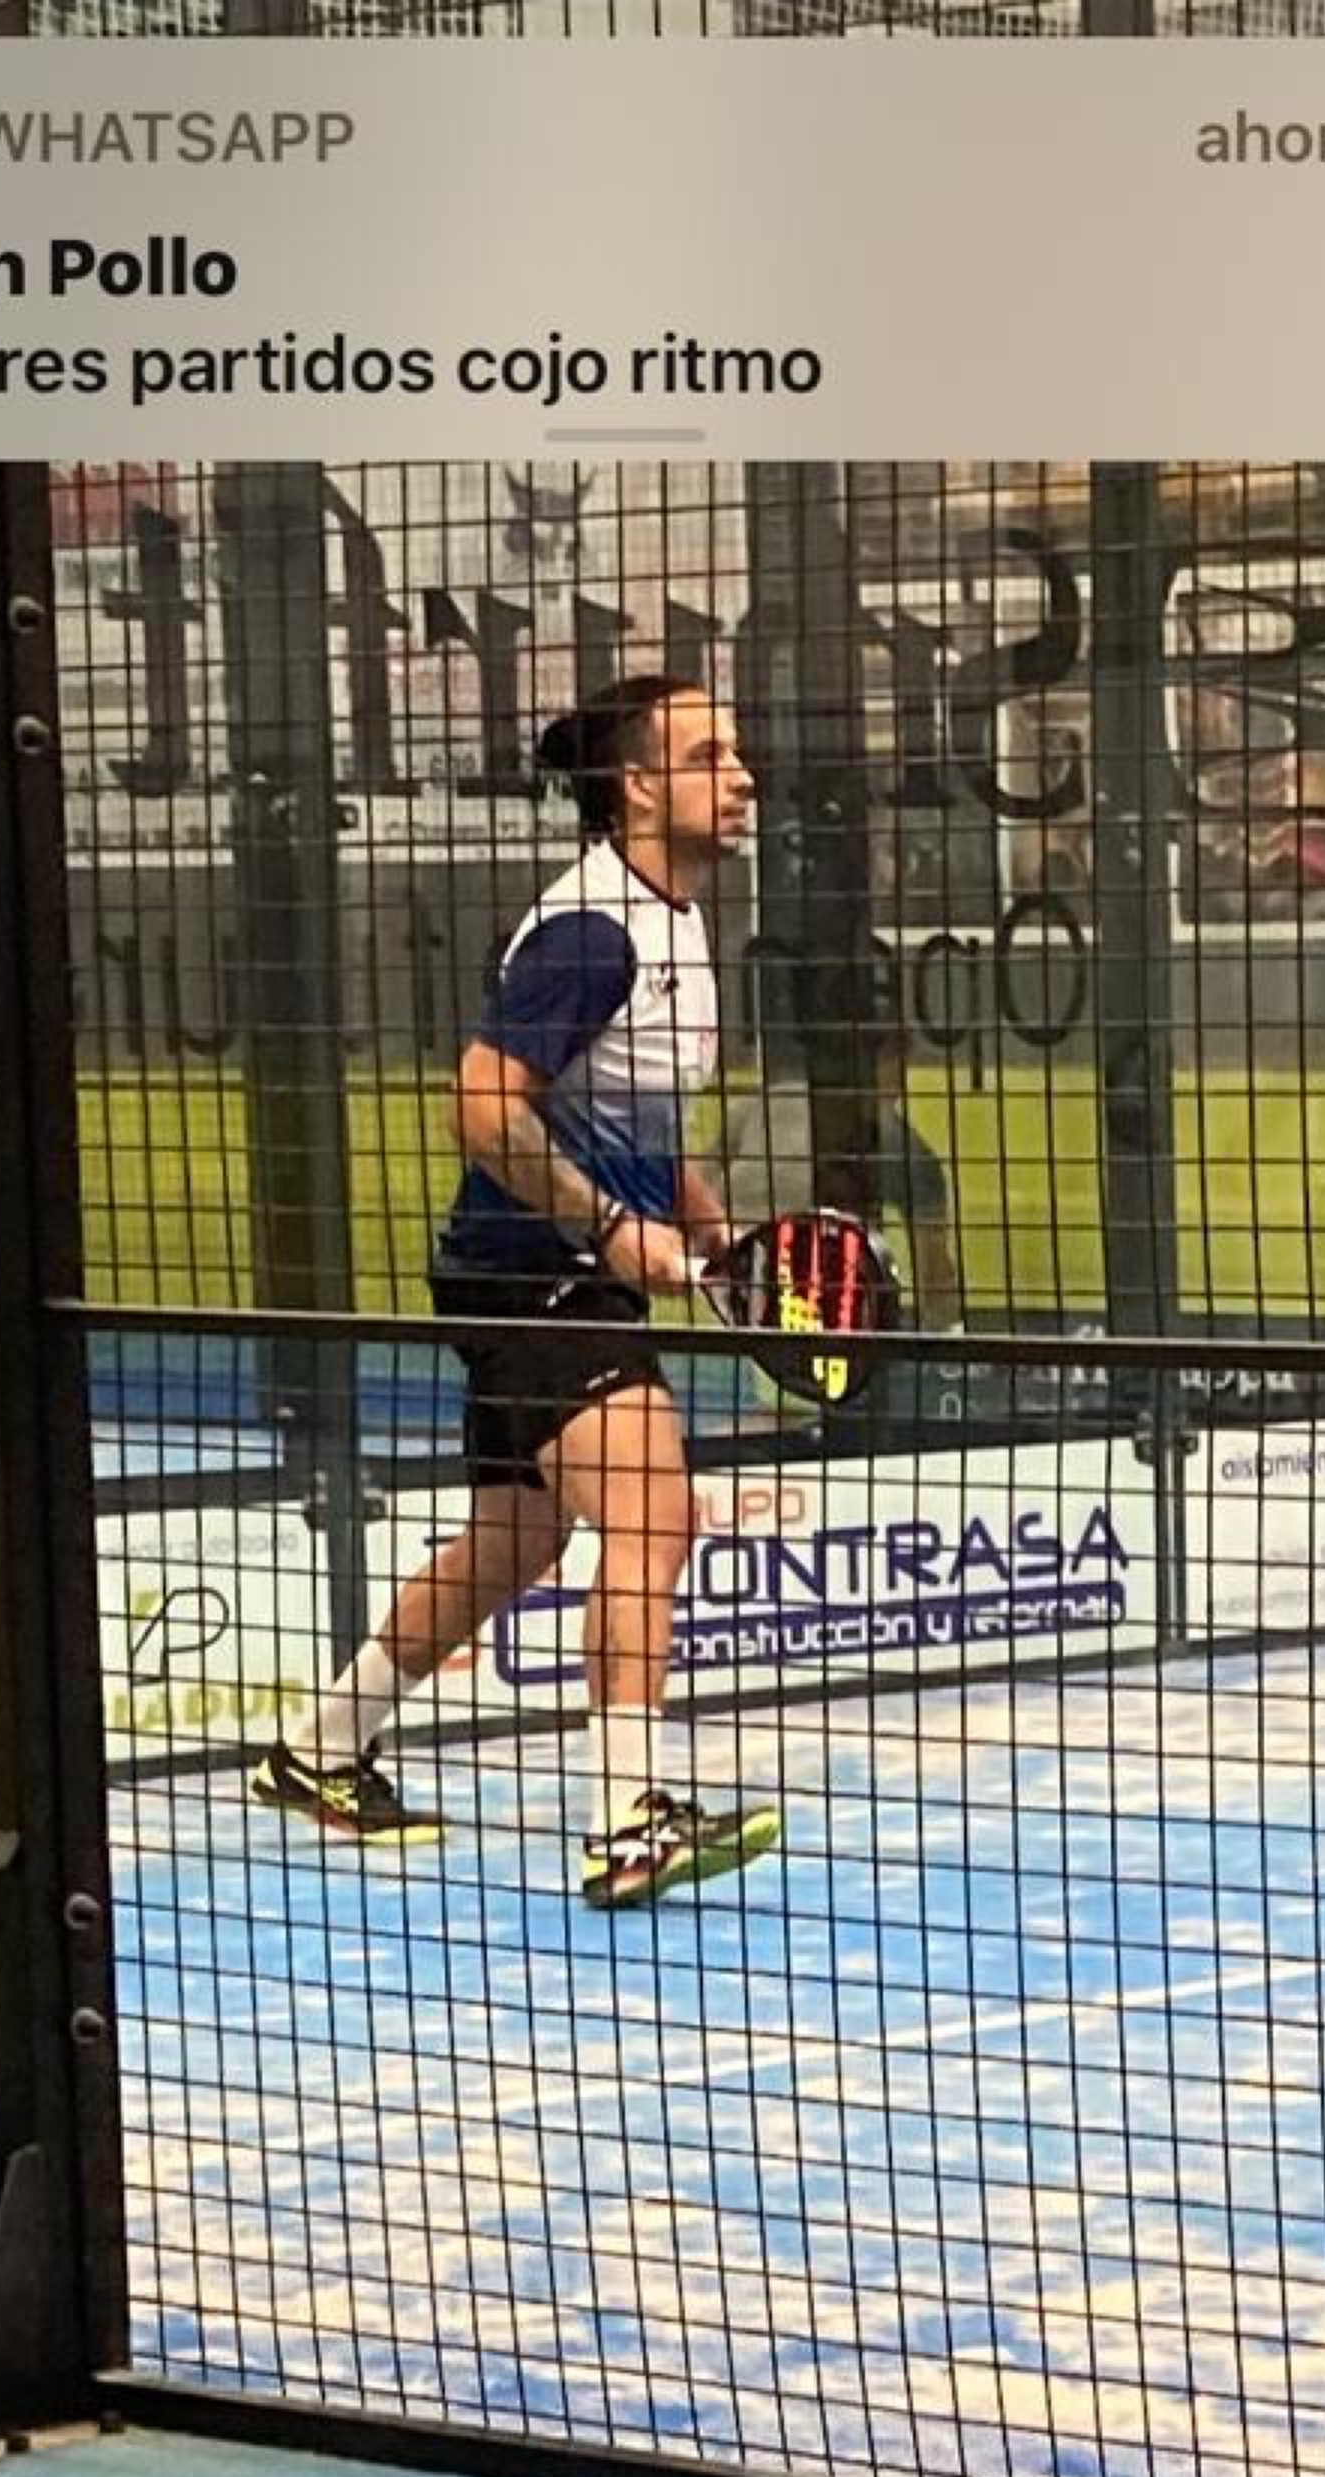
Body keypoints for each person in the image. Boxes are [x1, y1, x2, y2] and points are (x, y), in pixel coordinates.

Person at [251, 673, 782, 1912]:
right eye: (709, 756)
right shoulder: (592, 934)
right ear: (636, 786)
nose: (743, 776)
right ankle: (629, 1822)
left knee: (520, 1537)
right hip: (533, 1277)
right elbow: (484, 1105)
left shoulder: (673, 920)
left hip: (550, 1271)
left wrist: (715, 1236)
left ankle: (321, 1748)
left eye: (736, 752)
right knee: (653, 1515)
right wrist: (610, 1227)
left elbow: (636, 1119)